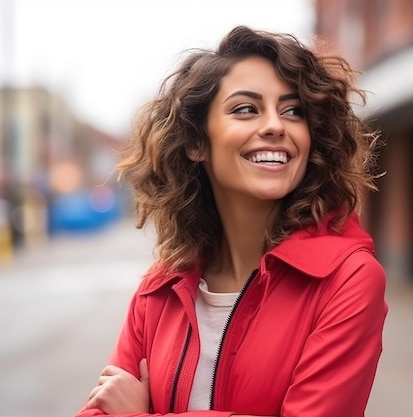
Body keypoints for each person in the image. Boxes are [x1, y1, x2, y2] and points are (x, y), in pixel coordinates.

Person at [76, 25, 387, 417]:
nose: (276, 125)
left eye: (293, 111)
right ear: (196, 142)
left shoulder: (348, 280)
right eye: (246, 109)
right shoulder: (161, 288)